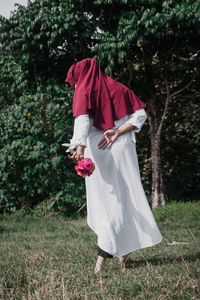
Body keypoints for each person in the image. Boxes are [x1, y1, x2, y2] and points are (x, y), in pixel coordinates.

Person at [64, 58, 162, 274]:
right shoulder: (119, 88)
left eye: (74, 80)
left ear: (81, 76)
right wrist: (118, 131)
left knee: (106, 202)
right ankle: (123, 252)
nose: (74, 85)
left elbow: (82, 120)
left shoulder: (84, 89)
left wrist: (78, 148)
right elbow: (140, 114)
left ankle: (103, 257)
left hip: (98, 150)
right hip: (122, 147)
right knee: (124, 196)